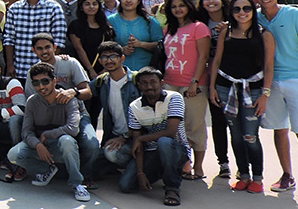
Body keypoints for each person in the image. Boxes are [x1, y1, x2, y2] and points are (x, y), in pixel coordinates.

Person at [210, 0, 275, 192]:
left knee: (250, 136)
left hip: (253, 91)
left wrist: (265, 95)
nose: (242, 13)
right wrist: (212, 87)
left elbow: (269, 66)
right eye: (237, 9)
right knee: (235, 135)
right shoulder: (226, 32)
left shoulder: (264, 34)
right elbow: (217, 60)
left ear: (252, 10)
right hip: (226, 87)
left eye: (246, 8)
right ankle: (243, 174)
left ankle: (257, 177)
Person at [7, 62, 91, 203]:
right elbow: (26, 132)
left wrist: (48, 134)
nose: (41, 86)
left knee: (67, 141)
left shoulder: (68, 99)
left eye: (45, 81)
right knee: (13, 155)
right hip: (41, 145)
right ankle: (47, 169)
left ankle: (77, 184)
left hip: (60, 145)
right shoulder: (32, 102)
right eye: (36, 83)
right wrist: (38, 145)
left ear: (54, 81)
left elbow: (73, 128)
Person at [26, 32, 99, 186]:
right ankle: (52, 168)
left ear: (55, 47)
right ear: (33, 51)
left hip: (76, 113)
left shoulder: (70, 63)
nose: (44, 51)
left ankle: (85, 175)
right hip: (49, 117)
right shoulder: (33, 72)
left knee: (91, 143)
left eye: (47, 47)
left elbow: (88, 92)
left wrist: (74, 92)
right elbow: (32, 101)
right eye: (39, 48)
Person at [252, 0, 298, 193]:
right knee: (279, 130)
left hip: (297, 79)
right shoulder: (252, 17)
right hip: (270, 83)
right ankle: (287, 175)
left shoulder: (295, 15)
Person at [119, 66, 190, 206]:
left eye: (153, 82)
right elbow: (137, 143)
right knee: (126, 185)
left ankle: (172, 188)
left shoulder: (174, 98)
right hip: (151, 152)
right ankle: (162, 171)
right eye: (144, 83)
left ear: (161, 83)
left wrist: (141, 138)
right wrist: (140, 173)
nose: (149, 86)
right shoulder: (134, 107)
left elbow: (171, 132)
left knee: (164, 142)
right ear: (139, 85)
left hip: (176, 150)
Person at [161, 0, 210, 180]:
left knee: (194, 126)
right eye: (174, 7)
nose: (178, 9)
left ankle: (198, 167)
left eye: (181, 5)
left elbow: (203, 57)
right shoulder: (168, 30)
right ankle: (183, 165)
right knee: (173, 128)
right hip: (170, 84)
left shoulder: (199, 28)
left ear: (189, 6)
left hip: (192, 85)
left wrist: (194, 82)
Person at [197, 0, 234, 179]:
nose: (210, 2)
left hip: (235, 74)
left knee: (238, 124)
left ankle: (245, 166)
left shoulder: (235, 18)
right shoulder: (199, 23)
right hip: (211, 76)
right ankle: (224, 162)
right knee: (218, 121)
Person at [3, 0, 65, 80]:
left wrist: (49, 65)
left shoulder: (54, 8)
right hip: (19, 70)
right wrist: (10, 65)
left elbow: (58, 41)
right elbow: (9, 39)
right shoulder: (14, 9)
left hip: (46, 70)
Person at [89, 41, 140, 172]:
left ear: (122, 58)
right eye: (105, 57)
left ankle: (138, 166)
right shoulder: (102, 81)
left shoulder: (137, 80)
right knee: (90, 165)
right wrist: (73, 92)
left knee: (111, 155)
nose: (109, 61)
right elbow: (87, 91)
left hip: (136, 138)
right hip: (114, 137)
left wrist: (124, 137)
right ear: (100, 61)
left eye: (113, 56)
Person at [108, 0, 163, 71]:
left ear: (138, 1)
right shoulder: (111, 20)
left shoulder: (150, 21)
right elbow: (105, 45)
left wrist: (141, 44)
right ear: (120, 0)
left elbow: (160, 45)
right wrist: (121, 50)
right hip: (119, 71)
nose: (128, 1)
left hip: (147, 70)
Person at [67, 0, 115, 80]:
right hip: (82, 69)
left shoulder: (105, 25)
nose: (91, 7)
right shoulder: (75, 25)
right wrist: (90, 70)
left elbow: (109, 48)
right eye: (87, 4)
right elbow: (79, 48)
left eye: (94, 4)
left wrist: (105, 69)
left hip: (104, 69)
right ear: (81, 7)